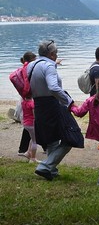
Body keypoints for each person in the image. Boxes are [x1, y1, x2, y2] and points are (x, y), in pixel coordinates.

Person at [28, 40, 74, 181]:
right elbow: (53, 87)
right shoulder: (49, 66)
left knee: (52, 140)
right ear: (52, 54)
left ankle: (51, 170)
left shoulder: (31, 65)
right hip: (51, 105)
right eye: (56, 53)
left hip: (38, 104)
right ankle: (45, 167)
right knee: (72, 137)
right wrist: (67, 100)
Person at [21, 93, 38, 163]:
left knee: (32, 138)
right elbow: (35, 115)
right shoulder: (32, 104)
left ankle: (28, 152)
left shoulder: (23, 102)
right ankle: (33, 158)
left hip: (26, 123)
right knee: (35, 141)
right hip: (31, 124)